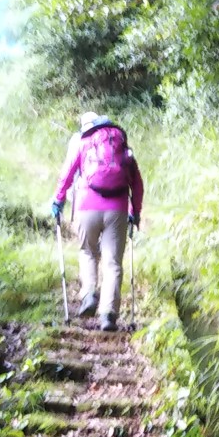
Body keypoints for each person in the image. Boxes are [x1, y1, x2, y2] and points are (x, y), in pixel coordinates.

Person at [50, 114, 143, 331]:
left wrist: (58, 200)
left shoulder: (84, 143)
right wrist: (134, 212)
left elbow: (67, 173)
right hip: (117, 211)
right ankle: (108, 315)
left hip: (86, 208)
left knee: (88, 252)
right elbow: (137, 184)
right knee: (112, 263)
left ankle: (90, 294)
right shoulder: (124, 150)